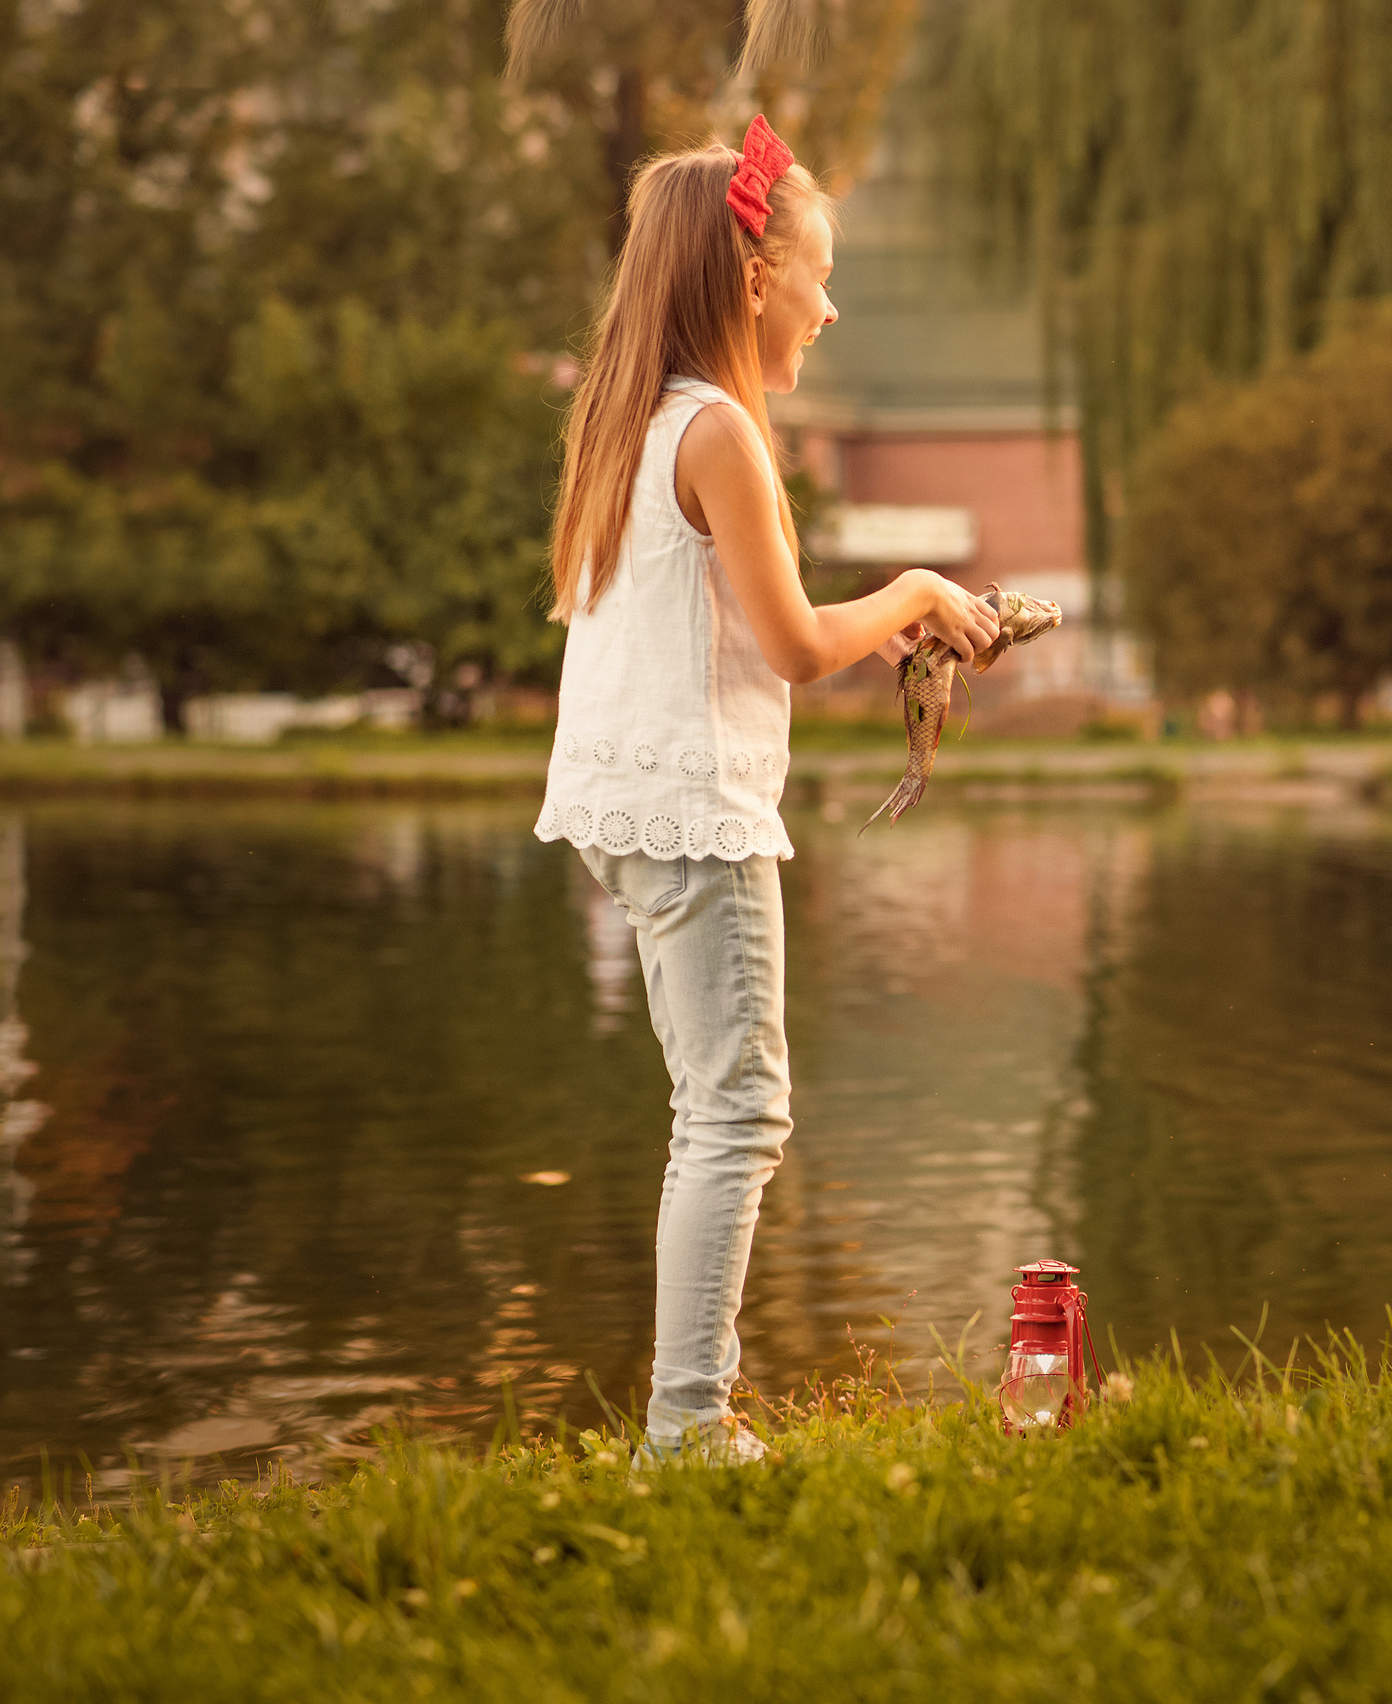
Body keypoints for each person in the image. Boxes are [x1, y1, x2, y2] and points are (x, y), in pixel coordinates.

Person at [533, 117, 1000, 1463]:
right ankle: (688, 1430)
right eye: (817, 270)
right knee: (739, 1118)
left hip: (621, 814)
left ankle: (686, 1417)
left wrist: (886, 621)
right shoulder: (724, 433)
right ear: (752, 278)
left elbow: (736, 627)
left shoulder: (637, 421)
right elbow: (795, 644)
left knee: (709, 1116)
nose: (831, 301)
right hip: (698, 817)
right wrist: (913, 590)